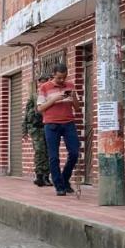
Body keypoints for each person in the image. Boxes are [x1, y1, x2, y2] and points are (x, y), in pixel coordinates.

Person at [36, 63, 81, 197]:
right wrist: (55, 99)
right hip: (51, 125)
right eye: (59, 78)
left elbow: (77, 108)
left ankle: (65, 178)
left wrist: (73, 98)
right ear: (53, 75)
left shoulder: (70, 85)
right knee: (54, 157)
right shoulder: (44, 87)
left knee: (74, 153)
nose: (62, 81)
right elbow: (40, 108)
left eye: (64, 77)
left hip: (68, 123)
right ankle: (59, 186)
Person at [23, 75, 51, 187]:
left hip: (48, 125)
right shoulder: (34, 97)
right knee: (40, 151)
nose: (43, 84)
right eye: (41, 82)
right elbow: (26, 114)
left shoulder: (50, 96)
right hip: (36, 127)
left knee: (48, 151)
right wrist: (24, 130)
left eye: (45, 82)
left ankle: (46, 176)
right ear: (38, 84)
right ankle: (39, 175)